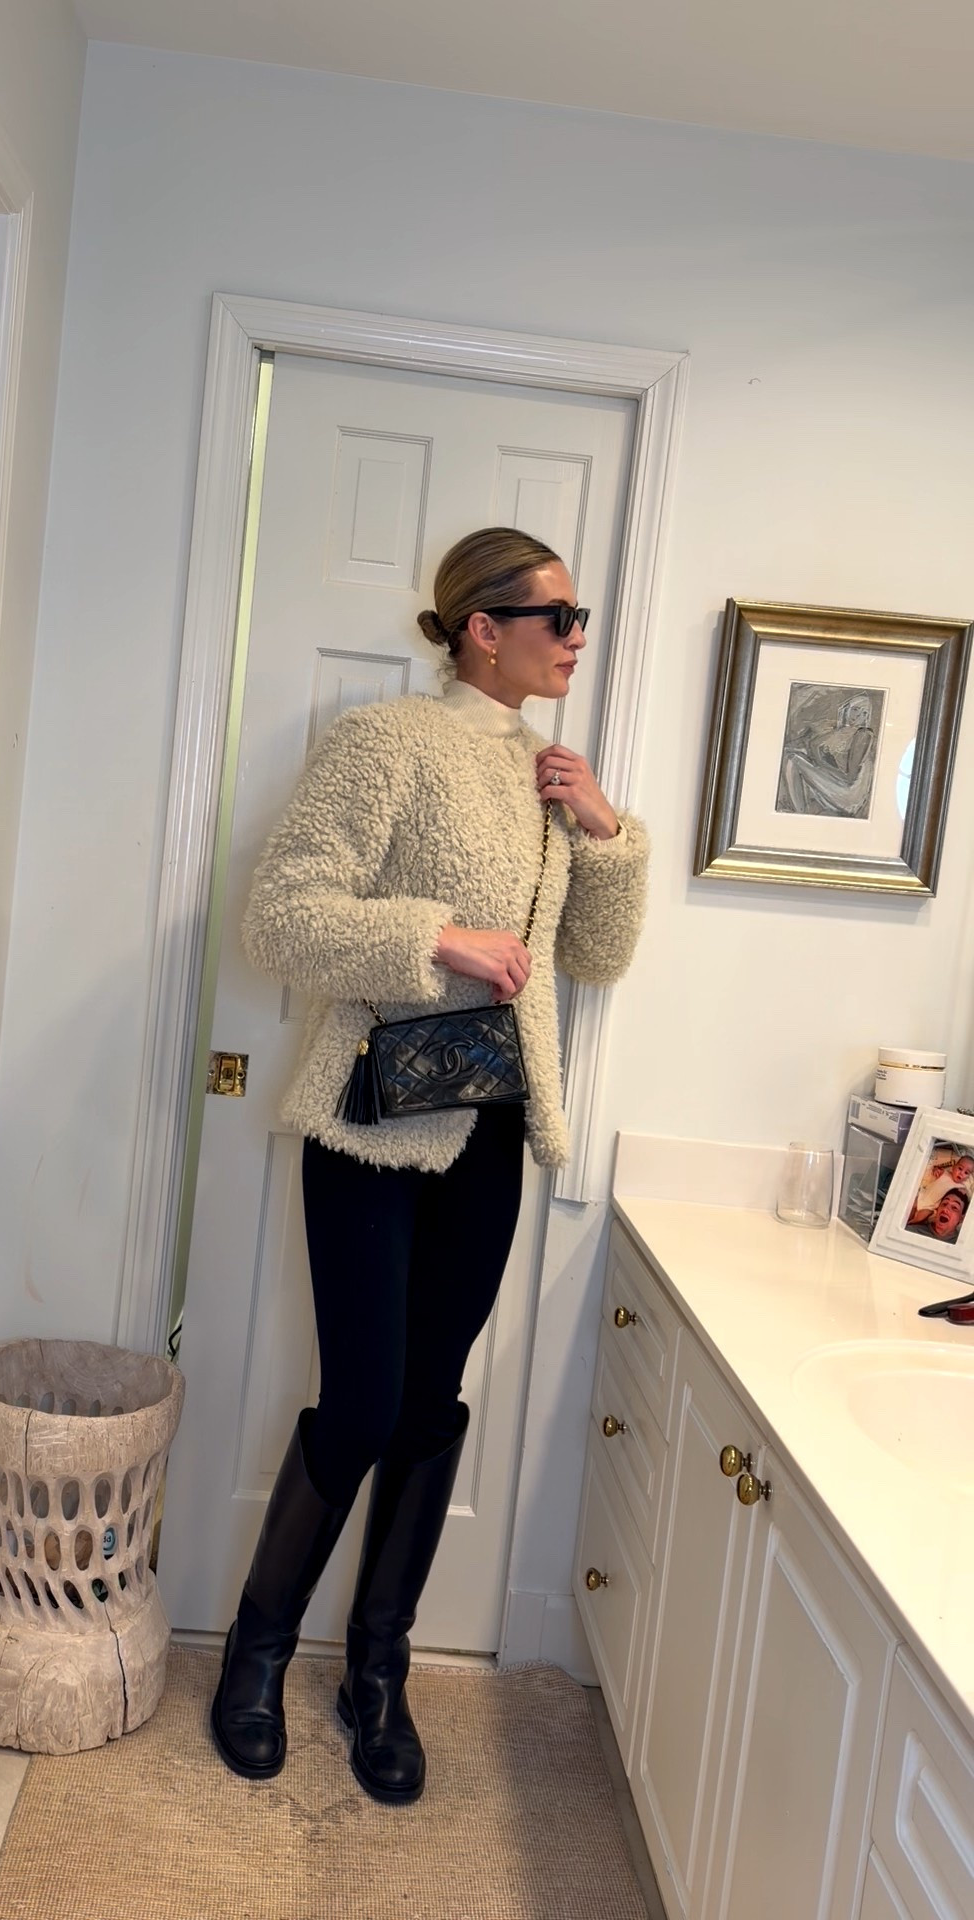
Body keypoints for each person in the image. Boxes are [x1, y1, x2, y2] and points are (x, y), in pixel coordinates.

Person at [210, 526, 650, 1804]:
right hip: (376, 1118)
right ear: (481, 628)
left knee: (429, 1406)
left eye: (581, 618)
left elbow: (598, 959)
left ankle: (378, 1669)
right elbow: (279, 915)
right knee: (360, 1402)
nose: (577, 639)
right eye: (558, 617)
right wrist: (438, 937)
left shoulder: (553, 777)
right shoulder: (385, 743)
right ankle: (257, 1651)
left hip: (494, 1130)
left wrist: (604, 830)